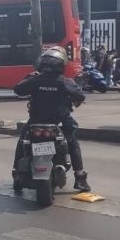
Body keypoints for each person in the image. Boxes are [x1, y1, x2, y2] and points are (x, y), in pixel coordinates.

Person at [11, 47, 90, 193]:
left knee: (22, 143)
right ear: (61, 65)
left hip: (36, 121)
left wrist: (29, 77)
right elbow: (80, 96)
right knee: (72, 144)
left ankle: (16, 174)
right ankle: (80, 178)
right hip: (60, 121)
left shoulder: (34, 79)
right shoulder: (65, 82)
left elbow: (18, 89)